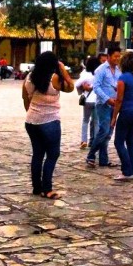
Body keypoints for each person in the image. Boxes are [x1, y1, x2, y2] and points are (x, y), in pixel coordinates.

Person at [22, 51, 74, 199]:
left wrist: (32, 113)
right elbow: (70, 87)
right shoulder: (54, 78)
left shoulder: (29, 77)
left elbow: (25, 98)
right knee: (52, 154)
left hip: (32, 121)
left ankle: (37, 188)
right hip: (50, 121)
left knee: (37, 154)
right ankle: (47, 188)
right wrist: (63, 69)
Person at [87, 44, 122, 168]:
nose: (117, 59)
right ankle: (91, 155)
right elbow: (96, 87)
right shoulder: (101, 69)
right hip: (103, 104)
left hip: (115, 104)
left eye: (119, 56)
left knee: (109, 132)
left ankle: (103, 159)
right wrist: (107, 99)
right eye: (115, 56)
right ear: (109, 57)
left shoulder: (118, 71)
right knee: (104, 130)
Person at [111, 52, 133, 181]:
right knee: (130, 141)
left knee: (118, 141)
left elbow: (119, 100)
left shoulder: (123, 78)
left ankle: (127, 170)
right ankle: (132, 170)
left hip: (126, 111)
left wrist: (114, 117)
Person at [74, 56, 100, 149]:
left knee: (85, 120)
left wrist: (84, 87)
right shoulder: (98, 74)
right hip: (97, 100)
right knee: (97, 122)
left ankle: (84, 140)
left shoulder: (86, 75)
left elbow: (76, 84)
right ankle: (97, 141)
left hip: (87, 101)